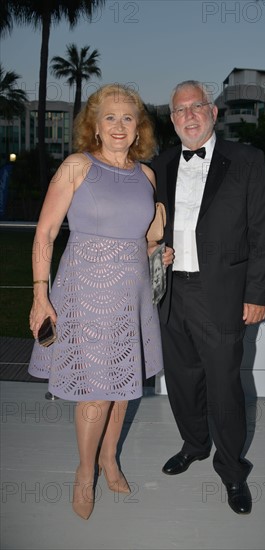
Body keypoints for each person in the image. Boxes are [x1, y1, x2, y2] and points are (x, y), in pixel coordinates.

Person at [28, 83, 173, 520]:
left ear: (138, 128)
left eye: (128, 118)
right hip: (84, 290)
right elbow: (45, 234)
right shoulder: (77, 166)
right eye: (109, 117)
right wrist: (40, 296)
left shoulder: (145, 176)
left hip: (131, 293)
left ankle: (110, 458)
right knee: (96, 389)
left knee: (123, 384)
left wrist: (158, 251)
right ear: (94, 125)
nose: (119, 125)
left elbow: (148, 238)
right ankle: (85, 471)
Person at [151, 80, 265, 515]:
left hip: (221, 293)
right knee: (182, 380)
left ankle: (232, 470)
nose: (189, 115)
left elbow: (262, 233)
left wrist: (257, 292)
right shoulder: (161, 163)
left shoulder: (247, 160)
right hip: (171, 291)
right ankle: (194, 445)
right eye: (180, 110)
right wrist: (154, 250)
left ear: (213, 112)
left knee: (224, 387)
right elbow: (148, 226)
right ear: (172, 120)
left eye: (196, 106)